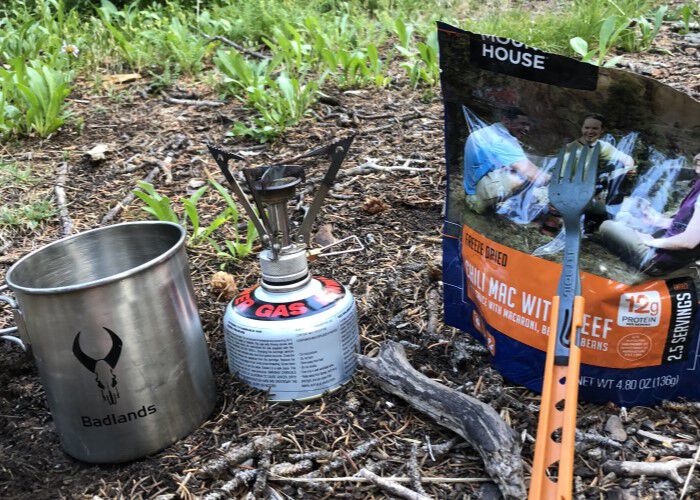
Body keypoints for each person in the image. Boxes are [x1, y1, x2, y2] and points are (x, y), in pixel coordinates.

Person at [599, 152, 700, 275]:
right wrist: (656, 220)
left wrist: (650, 242)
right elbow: (687, 223)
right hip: (667, 251)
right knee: (627, 219)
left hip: (659, 261)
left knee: (607, 226)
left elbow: (689, 242)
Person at [463, 107, 549, 214]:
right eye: (522, 123)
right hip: (477, 197)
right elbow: (533, 174)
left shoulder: (489, 131)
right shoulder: (502, 141)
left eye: (528, 125)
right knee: (521, 177)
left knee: (517, 168)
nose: (526, 129)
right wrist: (554, 179)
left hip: (471, 187)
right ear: (506, 121)